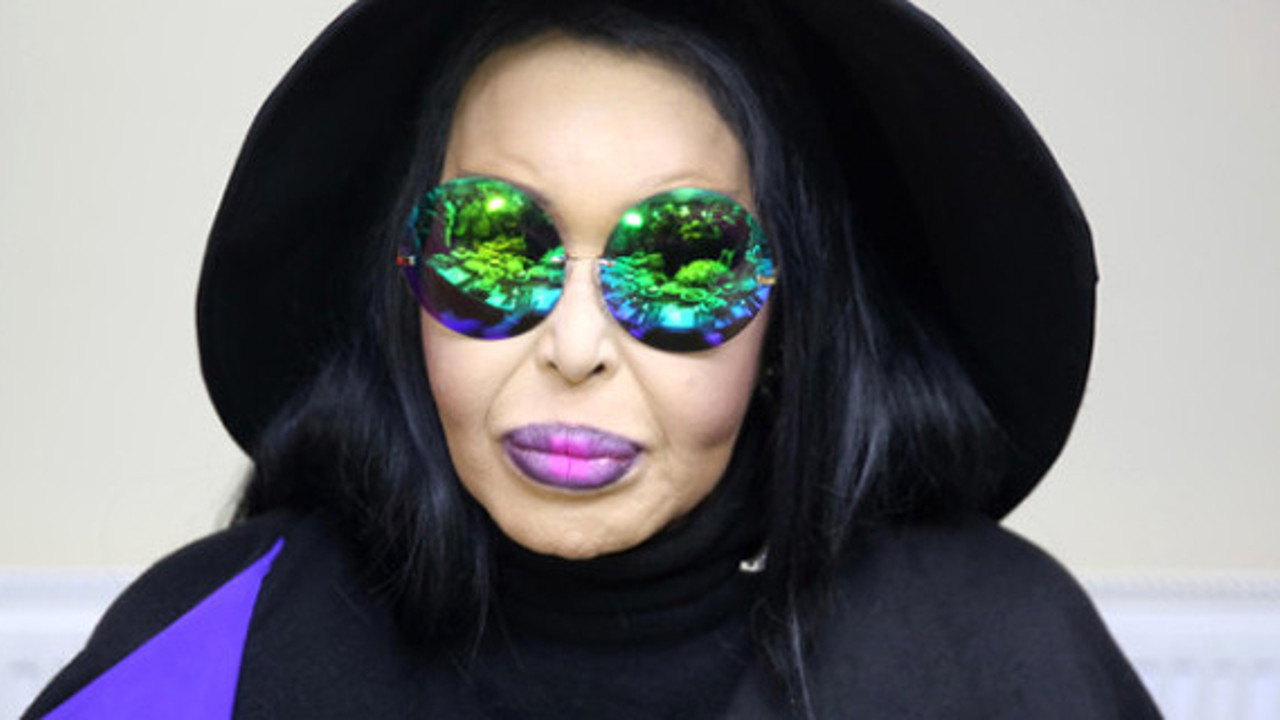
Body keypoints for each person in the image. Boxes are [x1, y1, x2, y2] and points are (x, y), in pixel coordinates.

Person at [26, 1, 1162, 718]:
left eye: (680, 263)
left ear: (788, 325)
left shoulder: (992, 655)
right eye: (492, 247)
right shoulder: (213, 651)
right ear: (403, 286)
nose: (573, 350)